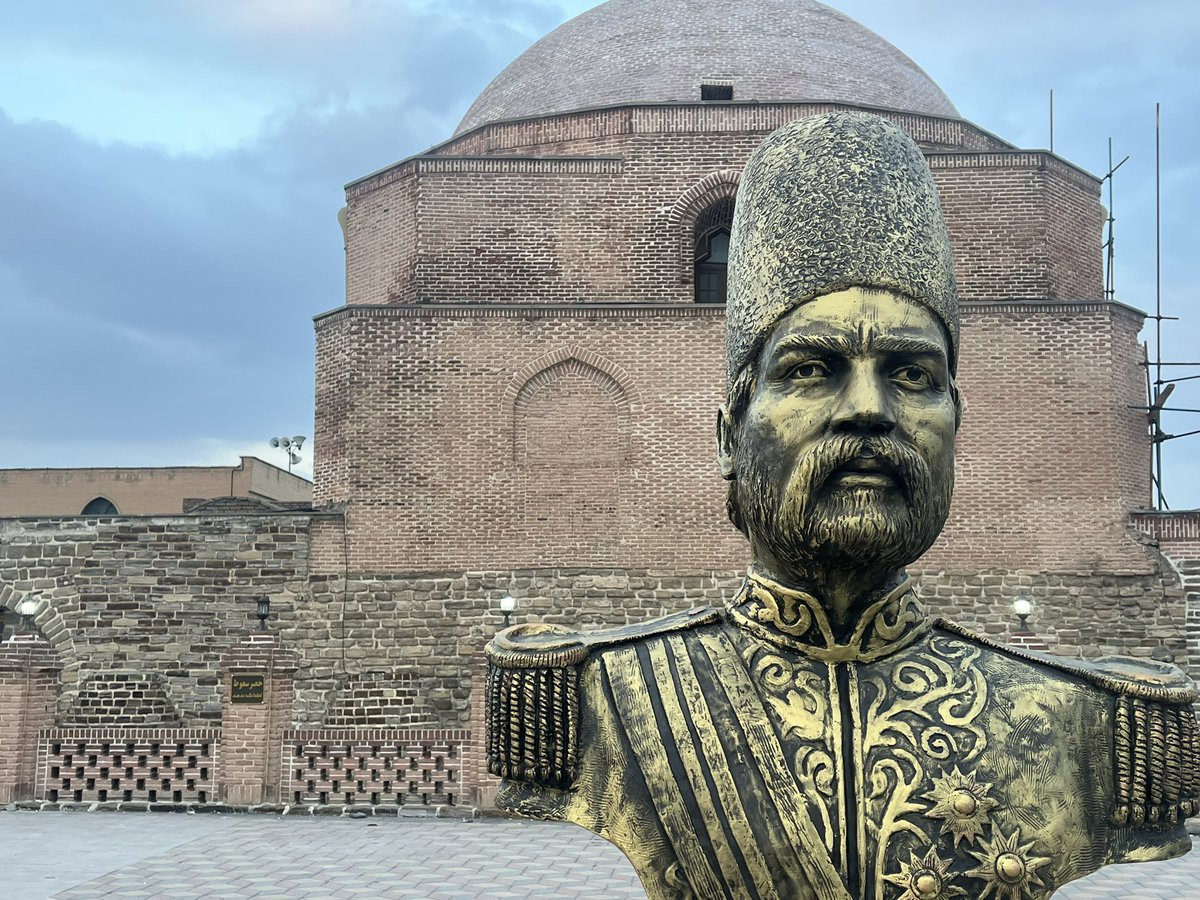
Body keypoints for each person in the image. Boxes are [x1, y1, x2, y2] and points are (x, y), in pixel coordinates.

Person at [485, 112, 1198, 900]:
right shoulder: (602, 698)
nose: (868, 409)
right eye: (811, 369)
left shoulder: (1088, 723)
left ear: (956, 426)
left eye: (912, 374)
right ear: (729, 437)